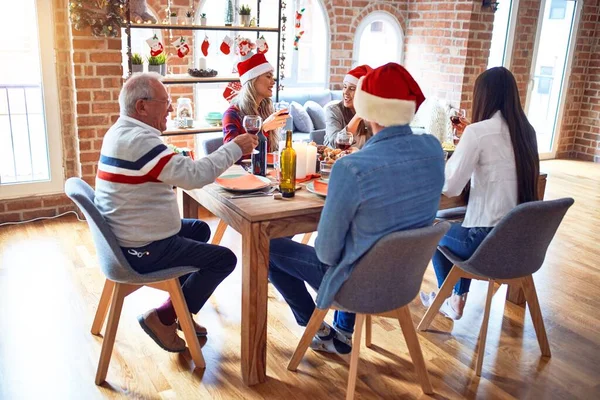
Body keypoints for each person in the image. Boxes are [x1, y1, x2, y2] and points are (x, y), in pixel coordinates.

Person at [268, 63, 445, 354]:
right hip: (404, 281)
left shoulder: (352, 167)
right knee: (361, 243)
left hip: (356, 287)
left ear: (368, 109)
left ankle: (317, 327)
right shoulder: (434, 150)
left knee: (269, 248)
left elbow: (326, 252)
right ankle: (339, 332)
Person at [95, 72, 258, 352]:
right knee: (224, 259)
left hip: (128, 234)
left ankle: (180, 309)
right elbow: (194, 176)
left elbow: (165, 169)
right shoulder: (140, 141)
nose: (171, 108)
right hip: (141, 248)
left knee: (200, 229)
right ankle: (165, 317)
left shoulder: (123, 132)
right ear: (142, 107)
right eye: (165, 101)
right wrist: (234, 148)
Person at [420, 67, 540, 320]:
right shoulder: (527, 133)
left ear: (483, 97)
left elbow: (450, 186)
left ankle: (452, 297)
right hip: (522, 245)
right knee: (456, 222)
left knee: (431, 227)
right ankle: (455, 298)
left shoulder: (478, 133)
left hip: (485, 243)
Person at [222, 52, 288, 155]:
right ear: (253, 81)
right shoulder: (231, 115)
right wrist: (263, 128)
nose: (273, 82)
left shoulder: (266, 110)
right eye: (268, 76)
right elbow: (230, 155)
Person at [324, 65, 373, 149]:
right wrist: (357, 117)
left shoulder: (370, 114)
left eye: (352, 88)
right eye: (345, 87)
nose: (345, 92)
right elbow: (335, 144)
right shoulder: (333, 111)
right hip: (334, 160)